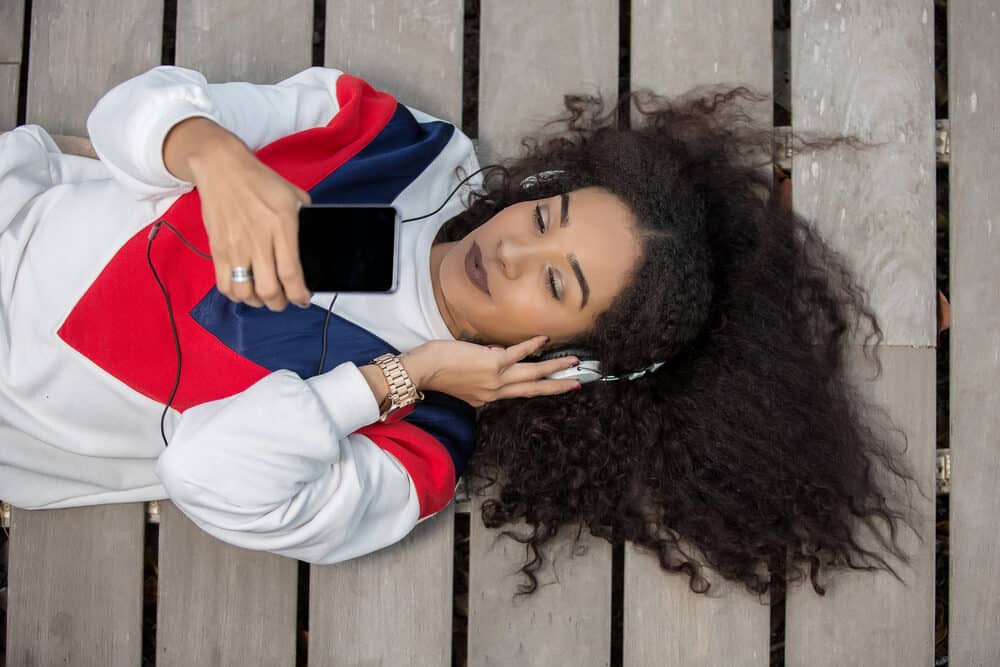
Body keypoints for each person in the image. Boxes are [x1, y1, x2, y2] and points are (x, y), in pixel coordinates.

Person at [0, 65, 923, 599]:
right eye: (548, 214)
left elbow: (204, 474)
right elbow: (124, 114)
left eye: (555, 282)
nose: (514, 246)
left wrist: (399, 377)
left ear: (573, 362)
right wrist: (212, 153)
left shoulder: (419, 450)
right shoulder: (402, 149)